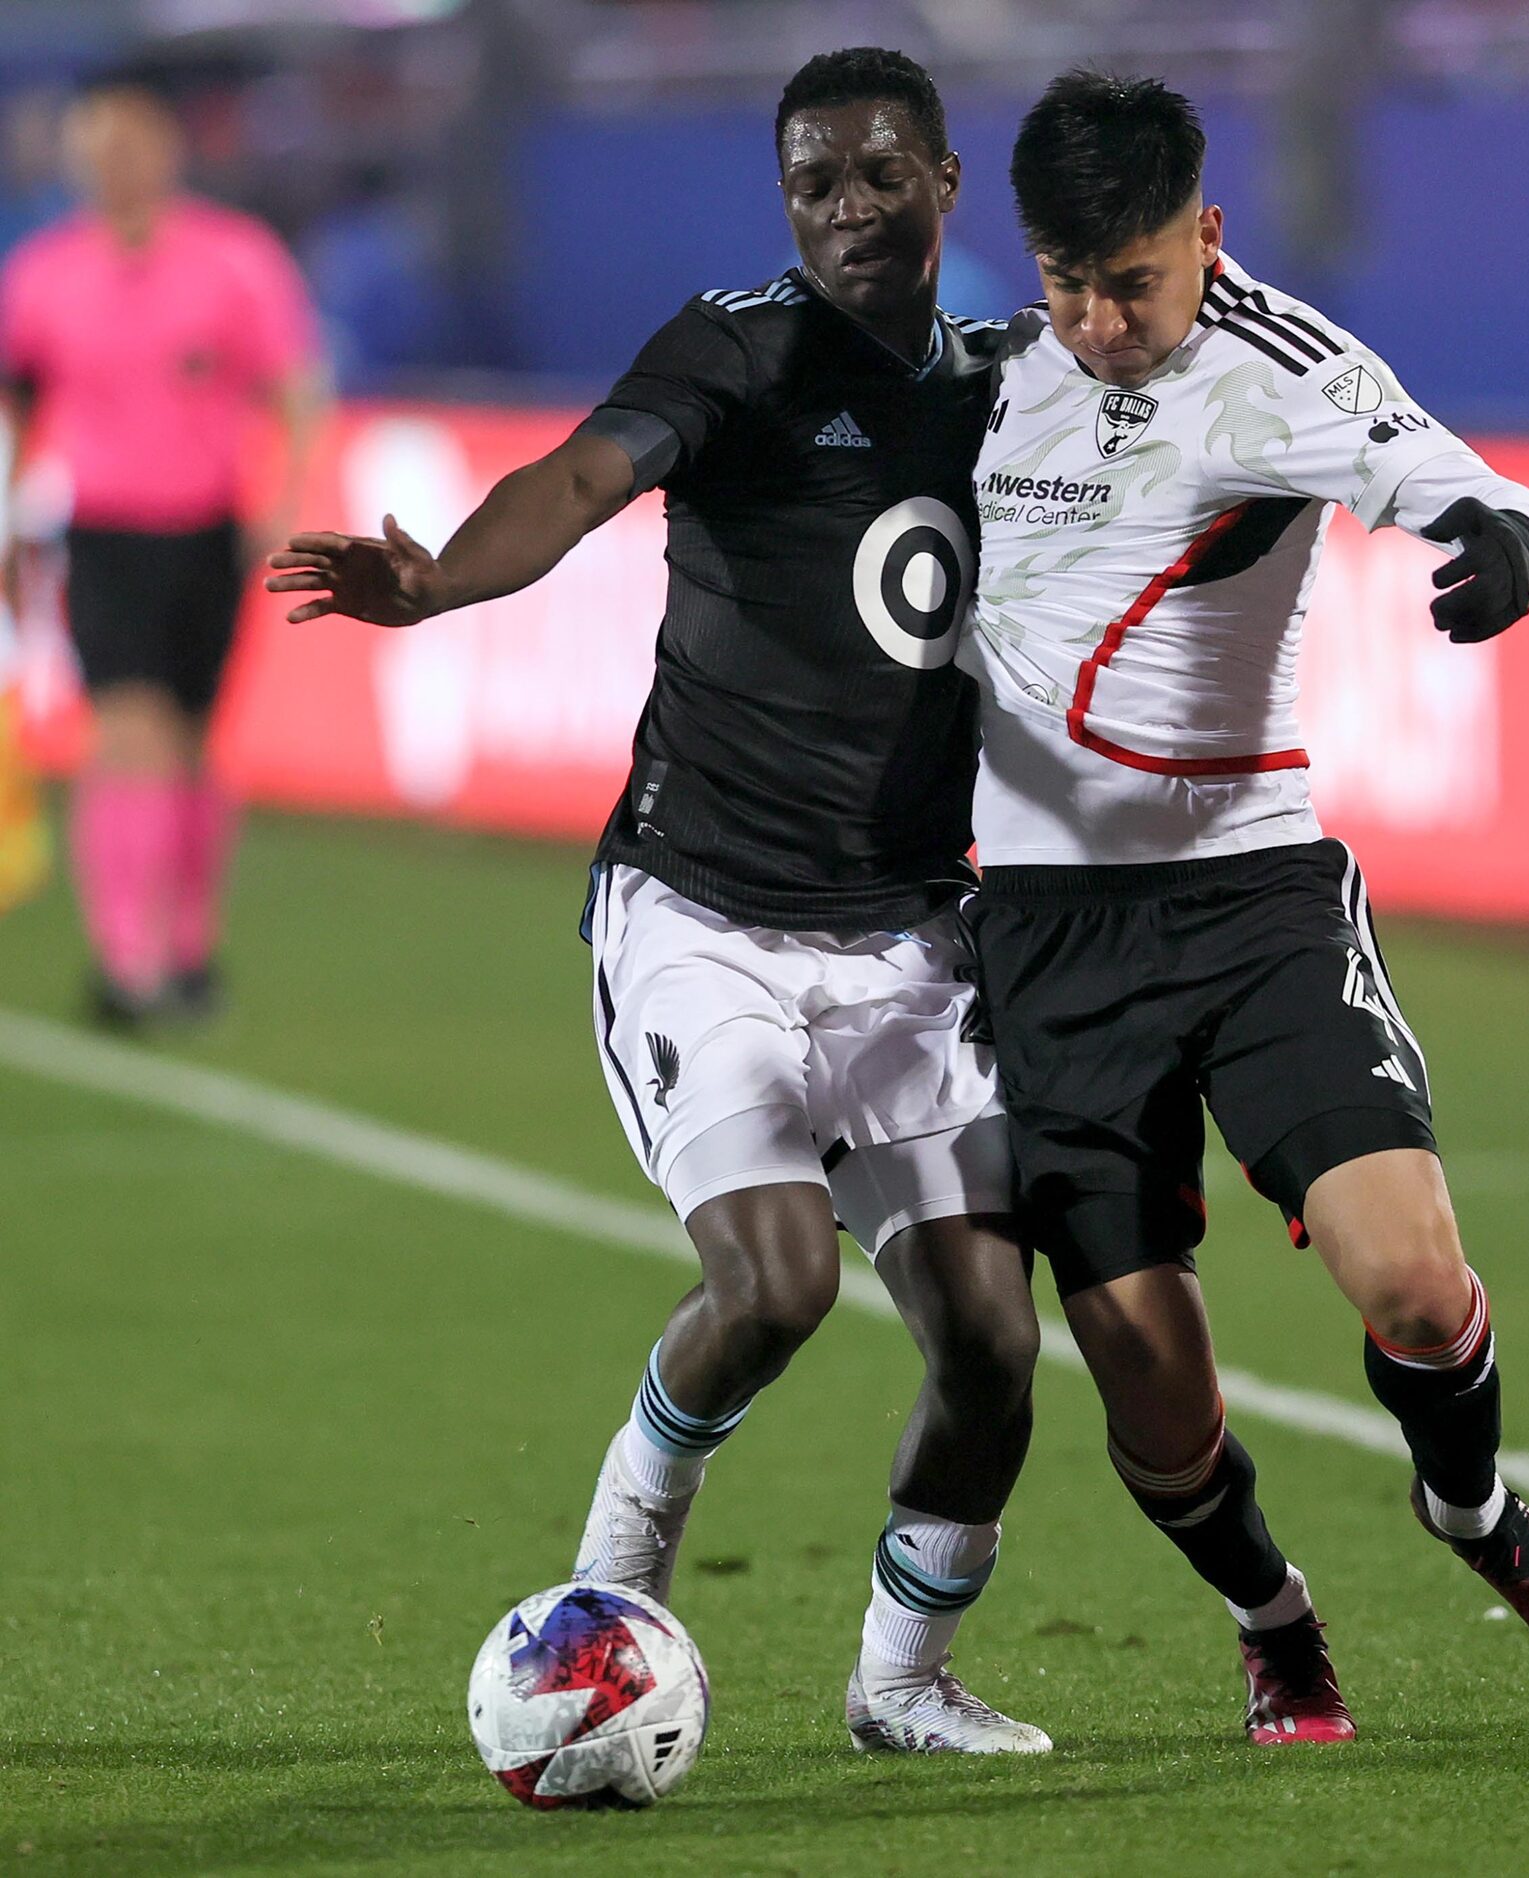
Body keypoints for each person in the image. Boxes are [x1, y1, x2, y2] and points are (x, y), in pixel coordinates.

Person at [266, 48, 1050, 1757]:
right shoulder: (739, 343)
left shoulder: (1019, 375)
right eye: (811, 181)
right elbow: (576, 480)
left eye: (873, 172)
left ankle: (899, 1681)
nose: (843, 206)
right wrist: (444, 580)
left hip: (915, 936)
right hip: (702, 913)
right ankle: (617, 1563)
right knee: (772, 1281)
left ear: (942, 180)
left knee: (993, 1336)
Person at [959, 70, 1529, 1745]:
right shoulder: (961, 378)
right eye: (1064, 282)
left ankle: (1470, 1510)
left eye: (1130, 280)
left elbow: (1451, 475)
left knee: (1410, 1280)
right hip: (1041, 932)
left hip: (1253, 891)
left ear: (1204, 231)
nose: (1099, 320)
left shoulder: (1282, 366)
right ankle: (1274, 1619)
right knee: (1147, 1378)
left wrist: (1497, 537)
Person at [0, 73, 326, 1022]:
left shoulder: (232, 260)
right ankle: (127, 961)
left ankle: (187, 948)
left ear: (167, 149)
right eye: (96, 146)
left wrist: (286, 499)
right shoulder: (46, 272)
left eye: (130, 141)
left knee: (188, 740)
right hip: (102, 533)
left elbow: (296, 386)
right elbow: (21, 402)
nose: (114, 162)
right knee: (126, 729)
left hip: (207, 530)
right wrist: (13, 514)